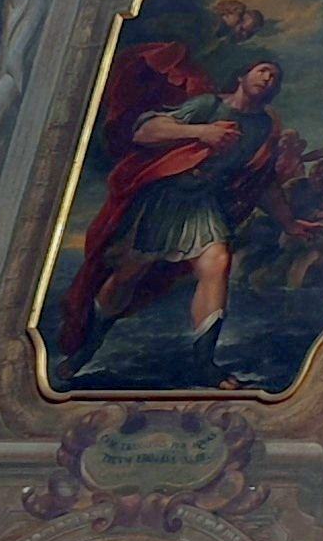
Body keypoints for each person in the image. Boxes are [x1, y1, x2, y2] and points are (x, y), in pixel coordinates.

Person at [53, 47, 294, 382]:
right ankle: (87, 348)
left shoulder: (263, 126)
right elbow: (145, 131)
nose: (268, 78)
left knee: (218, 262)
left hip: (204, 203)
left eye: (274, 76)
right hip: (166, 198)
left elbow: (262, 181)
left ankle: (203, 364)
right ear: (242, 75)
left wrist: (289, 222)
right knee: (127, 276)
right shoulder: (208, 105)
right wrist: (201, 131)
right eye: (263, 70)